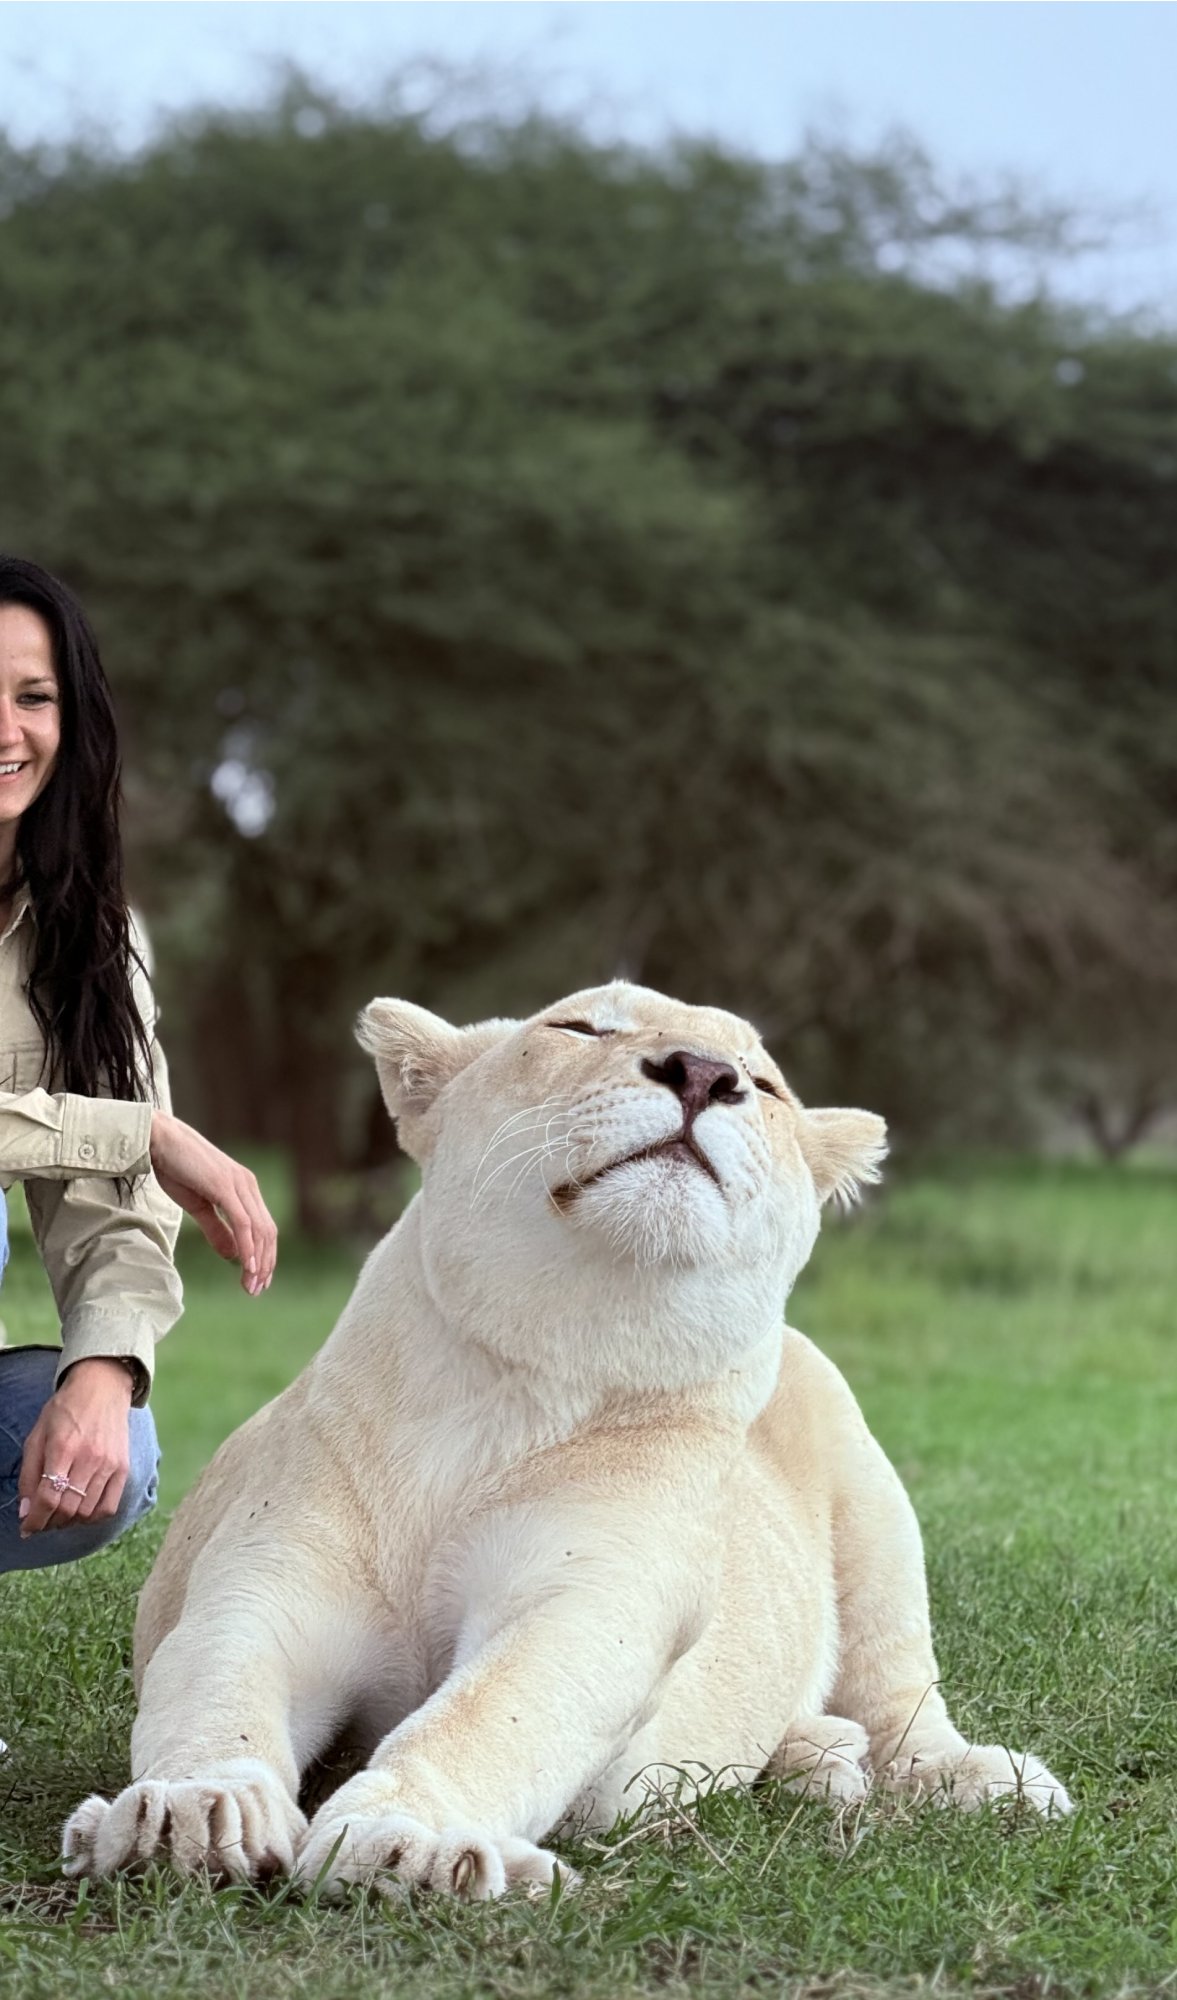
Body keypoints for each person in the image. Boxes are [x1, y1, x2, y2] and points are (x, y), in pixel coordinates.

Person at [0, 556, 277, 1723]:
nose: (6, 730)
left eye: (33, 696)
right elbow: (120, 1147)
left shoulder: (93, 936)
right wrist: (145, 1129)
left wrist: (104, 1367)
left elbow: (111, 1201)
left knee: (124, 1453)